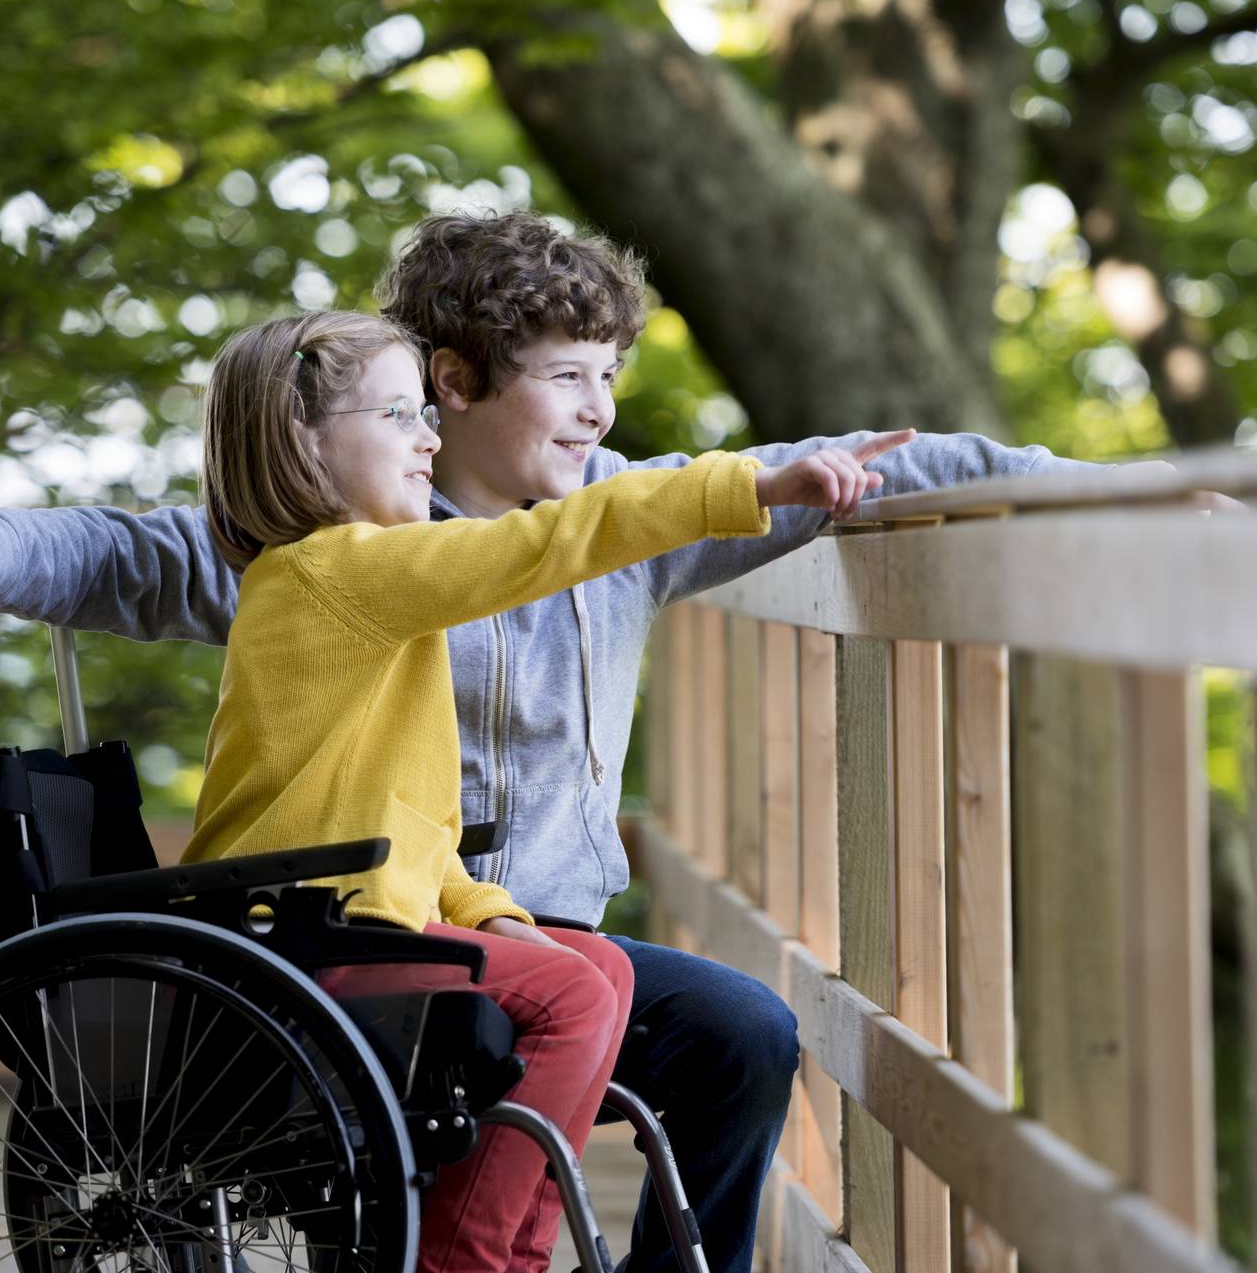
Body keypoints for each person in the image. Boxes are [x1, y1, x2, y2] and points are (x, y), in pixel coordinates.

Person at [0, 209, 1099, 1273]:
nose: (601, 415)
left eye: (611, 379)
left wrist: (1084, 493)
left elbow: (872, 463)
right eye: (569, 378)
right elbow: (122, 552)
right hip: (355, 938)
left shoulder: (619, 525)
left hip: (515, 922)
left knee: (744, 1032)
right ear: (452, 385)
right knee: (542, 1024)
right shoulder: (326, 546)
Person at [174, 306, 906, 1273]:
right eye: (397, 415)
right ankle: (468, 1256)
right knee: (569, 993)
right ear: (302, 440)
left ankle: (512, 1245)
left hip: (351, 919)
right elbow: (546, 544)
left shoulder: (369, 595)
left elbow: (411, 827)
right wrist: (749, 485)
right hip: (296, 946)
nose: (428, 434)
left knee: (590, 969)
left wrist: (493, 911)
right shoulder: (335, 572)